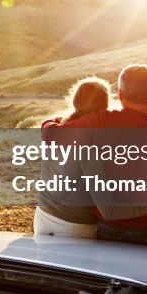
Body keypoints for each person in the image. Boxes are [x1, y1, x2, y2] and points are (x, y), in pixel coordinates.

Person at [56, 64, 147, 250]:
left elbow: (56, 135)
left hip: (110, 228)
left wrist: (51, 121)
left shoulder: (100, 122)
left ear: (120, 95)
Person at [33, 77, 112, 238]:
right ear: (105, 105)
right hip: (77, 226)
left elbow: (47, 124)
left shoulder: (56, 130)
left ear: (76, 101)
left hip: (43, 217)